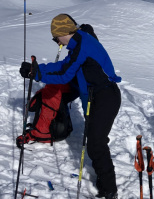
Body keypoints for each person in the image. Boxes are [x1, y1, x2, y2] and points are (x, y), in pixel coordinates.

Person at [20, 14, 121, 199]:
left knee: (96, 144)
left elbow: (65, 73)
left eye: (55, 38)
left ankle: (109, 190)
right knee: (95, 140)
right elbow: (65, 65)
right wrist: (38, 70)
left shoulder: (81, 44)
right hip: (94, 93)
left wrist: (36, 73)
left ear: (63, 33)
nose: (57, 42)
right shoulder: (79, 41)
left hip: (105, 97)